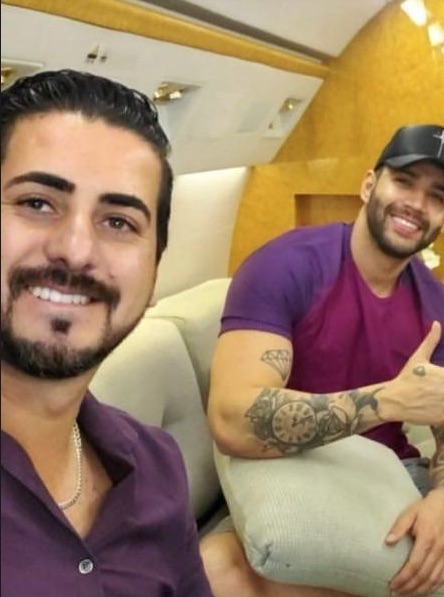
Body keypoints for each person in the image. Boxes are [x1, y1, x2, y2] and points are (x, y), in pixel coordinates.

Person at [199, 124, 444, 597]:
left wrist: (443, 501)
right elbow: (232, 419)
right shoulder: (285, 265)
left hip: (393, 472)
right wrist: (386, 401)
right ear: (369, 184)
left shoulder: (439, 307)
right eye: (404, 182)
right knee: (216, 573)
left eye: (436, 196)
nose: (416, 203)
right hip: (292, 466)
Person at [0, 70, 213, 595]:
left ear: (154, 270)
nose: (75, 251)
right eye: (36, 202)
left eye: (119, 222)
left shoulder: (157, 465)